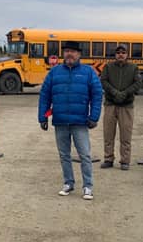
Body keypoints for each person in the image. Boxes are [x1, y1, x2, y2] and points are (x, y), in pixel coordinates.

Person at [37, 40, 103, 200]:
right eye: (67, 51)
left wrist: (94, 117)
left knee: (85, 155)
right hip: (60, 121)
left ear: (79, 54)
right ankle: (68, 183)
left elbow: (97, 94)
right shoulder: (54, 72)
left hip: (80, 122)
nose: (69, 54)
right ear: (63, 54)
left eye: (73, 51)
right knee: (64, 155)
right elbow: (45, 95)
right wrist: (43, 117)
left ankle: (88, 186)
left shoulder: (88, 72)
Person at [100, 44, 141, 170]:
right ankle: (108, 158)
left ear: (127, 54)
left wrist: (125, 93)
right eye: (118, 53)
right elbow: (103, 81)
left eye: (123, 52)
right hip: (110, 105)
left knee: (126, 135)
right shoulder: (108, 67)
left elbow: (138, 83)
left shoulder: (133, 68)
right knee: (108, 134)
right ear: (115, 55)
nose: (121, 55)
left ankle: (125, 161)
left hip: (126, 106)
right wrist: (114, 92)